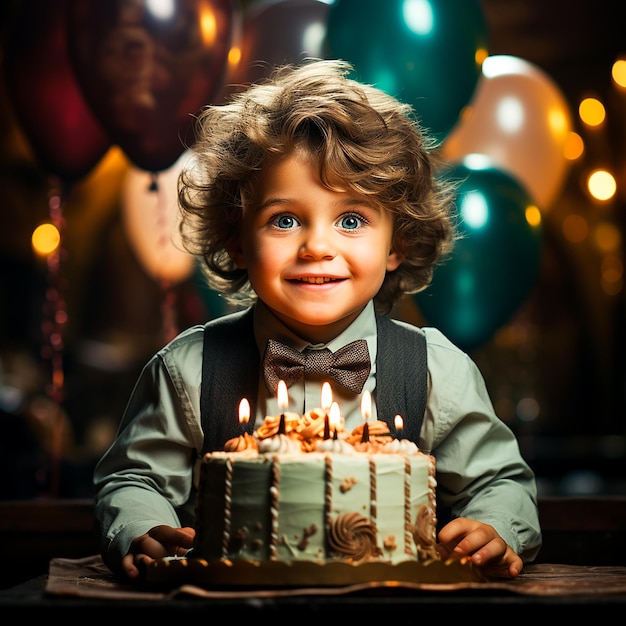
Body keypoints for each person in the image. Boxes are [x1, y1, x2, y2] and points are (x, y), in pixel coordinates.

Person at [93, 58, 542, 582]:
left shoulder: (436, 370)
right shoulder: (187, 370)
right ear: (237, 239)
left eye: (351, 220)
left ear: (397, 242)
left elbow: (501, 483)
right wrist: (140, 526)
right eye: (284, 219)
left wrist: (496, 525)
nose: (317, 247)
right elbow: (135, 479)